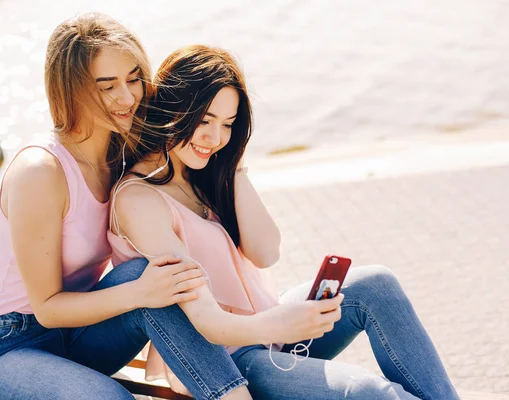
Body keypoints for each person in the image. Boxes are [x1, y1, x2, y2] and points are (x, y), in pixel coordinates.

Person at [110, 44, 462, 400]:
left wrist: (232, 164)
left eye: (227, 124)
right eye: (204, 121)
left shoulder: (199, 175)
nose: (214, 138)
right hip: (230, 358)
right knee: (367, 391)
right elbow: (206, 323)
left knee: (376, 284)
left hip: (270, 327)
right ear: (173, 108)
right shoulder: (139, 200)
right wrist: (283, 323)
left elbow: (265, 252)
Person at [0, 14, 257, 400]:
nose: (127, 97)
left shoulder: (121, 155)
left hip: (86, 332)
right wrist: (143, 292)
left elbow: (194, 143)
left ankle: (231, 395)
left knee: (156, 273)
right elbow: (47, 310)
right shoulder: (40, 171)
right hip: (15, 346)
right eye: (107, 86)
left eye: (134, 79)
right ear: (69, 91)